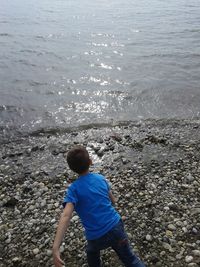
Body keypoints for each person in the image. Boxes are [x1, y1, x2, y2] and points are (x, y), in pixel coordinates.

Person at [52, 146, 145, 267]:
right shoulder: (100, 178)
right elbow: (113, 200)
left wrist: (56, 247)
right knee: (130, 259)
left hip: (96, 237)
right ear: (90, 161)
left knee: (91, 251)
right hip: (116, 227)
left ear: (71, 168)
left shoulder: (73, 190)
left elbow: (66, 215)